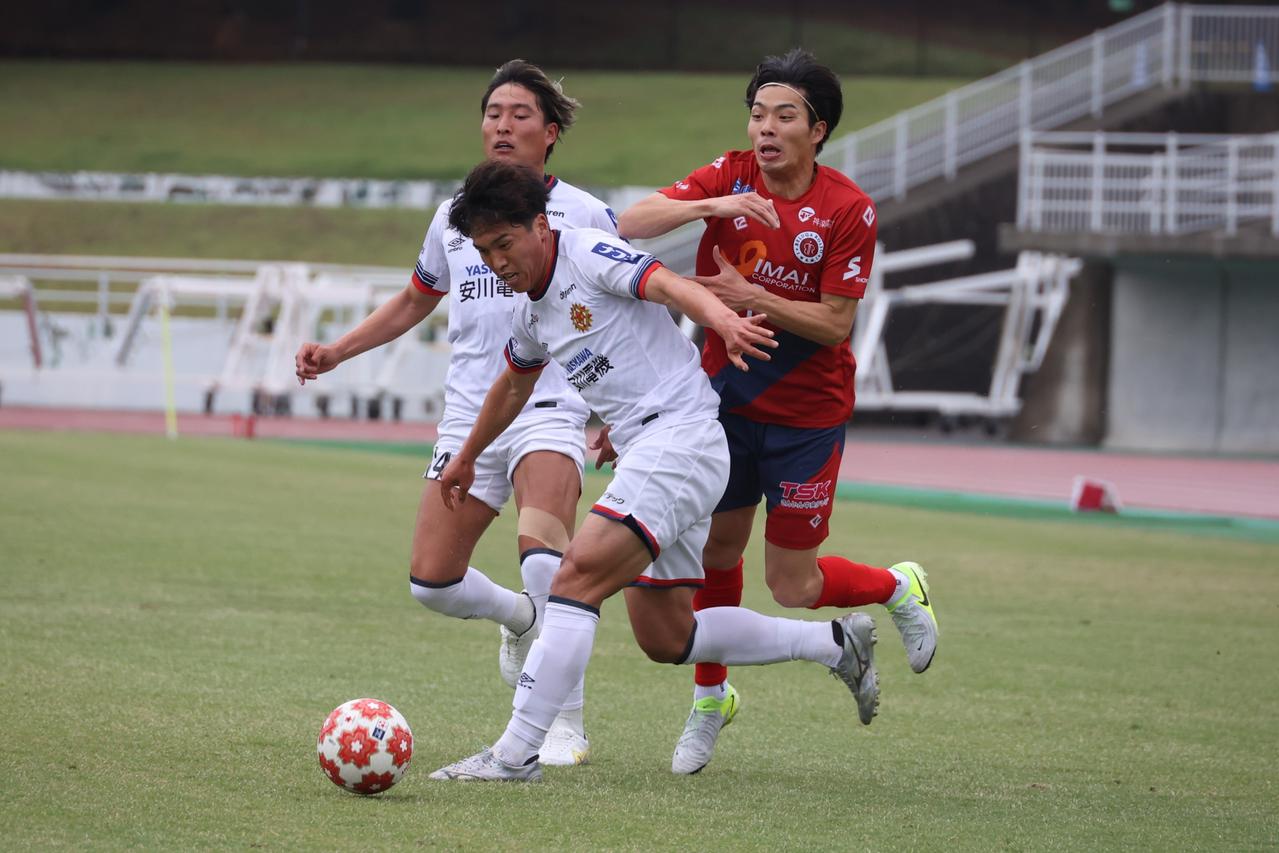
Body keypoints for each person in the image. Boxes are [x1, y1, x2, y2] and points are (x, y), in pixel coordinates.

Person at [426, 159, 881, 783]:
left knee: (575, 576)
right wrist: (469, 455)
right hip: (654, 448)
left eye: (505, 244)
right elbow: (511, 385)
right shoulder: (531, 313)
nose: (499, 261)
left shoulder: (586, 253)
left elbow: (666, 284)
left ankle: (515, 753)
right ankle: (835, 645)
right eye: (485, 251)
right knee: (668, 636)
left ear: (539, 225)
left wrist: (723, 319)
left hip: (683, 439)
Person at [616, 49, 939, 775]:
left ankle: (897, 586)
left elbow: (832, 324)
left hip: (806, 416)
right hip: (722, 405)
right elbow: (632, 221)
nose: (765, 127)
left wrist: (749, 295)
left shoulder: (848, 209)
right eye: (757, 112)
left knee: (793, 585)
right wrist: (710, 206)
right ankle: (710, 699)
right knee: (715, 556)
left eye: (783, 115)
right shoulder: (728, 175)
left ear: (817, 129)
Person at [294, 60, 614, 766]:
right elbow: (415, 299)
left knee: (547, 559)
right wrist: (338, 351)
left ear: (550, 132)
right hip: (470, 418)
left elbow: (630, 307)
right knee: (431, 582)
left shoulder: (585, 214)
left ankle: (563, 723)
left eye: (519, 113)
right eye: (492, 111)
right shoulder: (453, 217)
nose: (502, 123)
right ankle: (522, 621)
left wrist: (620, 408)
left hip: (549, 406)